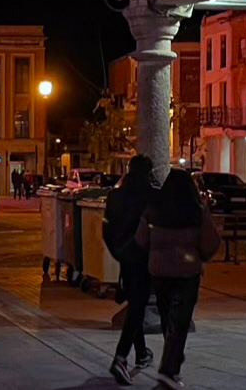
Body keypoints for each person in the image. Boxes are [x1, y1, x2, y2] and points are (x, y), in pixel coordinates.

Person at [135, 169, 220, 390]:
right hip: (187, 271)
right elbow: (211, 242)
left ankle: (171, 363)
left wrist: (152, 253)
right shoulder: (196, 211)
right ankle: (169, 369)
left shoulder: (153, 210)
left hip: (159, 271)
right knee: (181, 320)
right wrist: (201, 256)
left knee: (166, 315)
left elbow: (141, 239)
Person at [103, 155, 158, 385]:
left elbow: (106, 230)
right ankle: (121, 356)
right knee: (137, 305)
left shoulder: (115, 196)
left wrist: (118, 252)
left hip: (125, 256)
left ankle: (142, 352)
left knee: (135, 302)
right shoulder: (153, 196)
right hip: (145, 258)